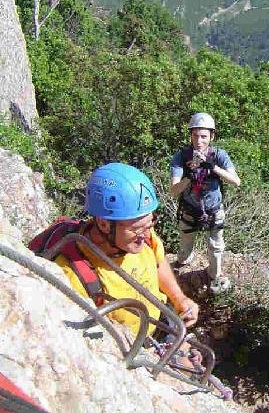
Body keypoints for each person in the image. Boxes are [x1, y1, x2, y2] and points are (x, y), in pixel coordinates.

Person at [53, 162, 199, 335]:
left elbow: (157, 262)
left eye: (150, 223)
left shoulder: (141, 233)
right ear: (104, 224)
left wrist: (179, 299)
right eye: (137, 228)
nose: (145, 235)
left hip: (157, 325)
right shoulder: (75, 276)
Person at [170, 112, 241, 294]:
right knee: (186, 245)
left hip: (214, 209)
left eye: (204, 136)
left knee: (216, 246)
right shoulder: (181, 157)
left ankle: (214, 275)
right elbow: (173, 191)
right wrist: (188, 178)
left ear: (212, 136)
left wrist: (213, 167)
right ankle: (184, 259)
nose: (199, 141)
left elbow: (236, 181)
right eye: (195, 136)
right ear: (190, 136)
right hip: (189, 209)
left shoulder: (218, 155)